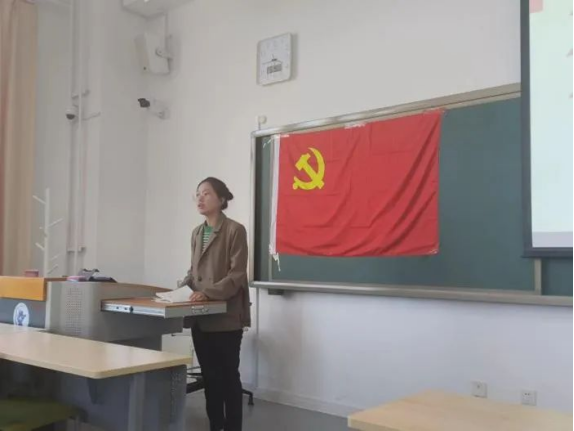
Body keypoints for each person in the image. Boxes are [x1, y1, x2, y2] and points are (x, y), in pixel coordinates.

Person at [181, 177, 250, 431]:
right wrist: (177, 291)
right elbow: (193, 273)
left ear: (221, 199)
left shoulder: (235, 230)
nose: (200, 198)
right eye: (198, 194)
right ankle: (215, 426)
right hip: (201, 318)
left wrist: (207, 293)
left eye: (206, 193)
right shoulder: (196, 233)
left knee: (228, 377)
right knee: (210, 378)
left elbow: (237, 275)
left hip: (226, 318)